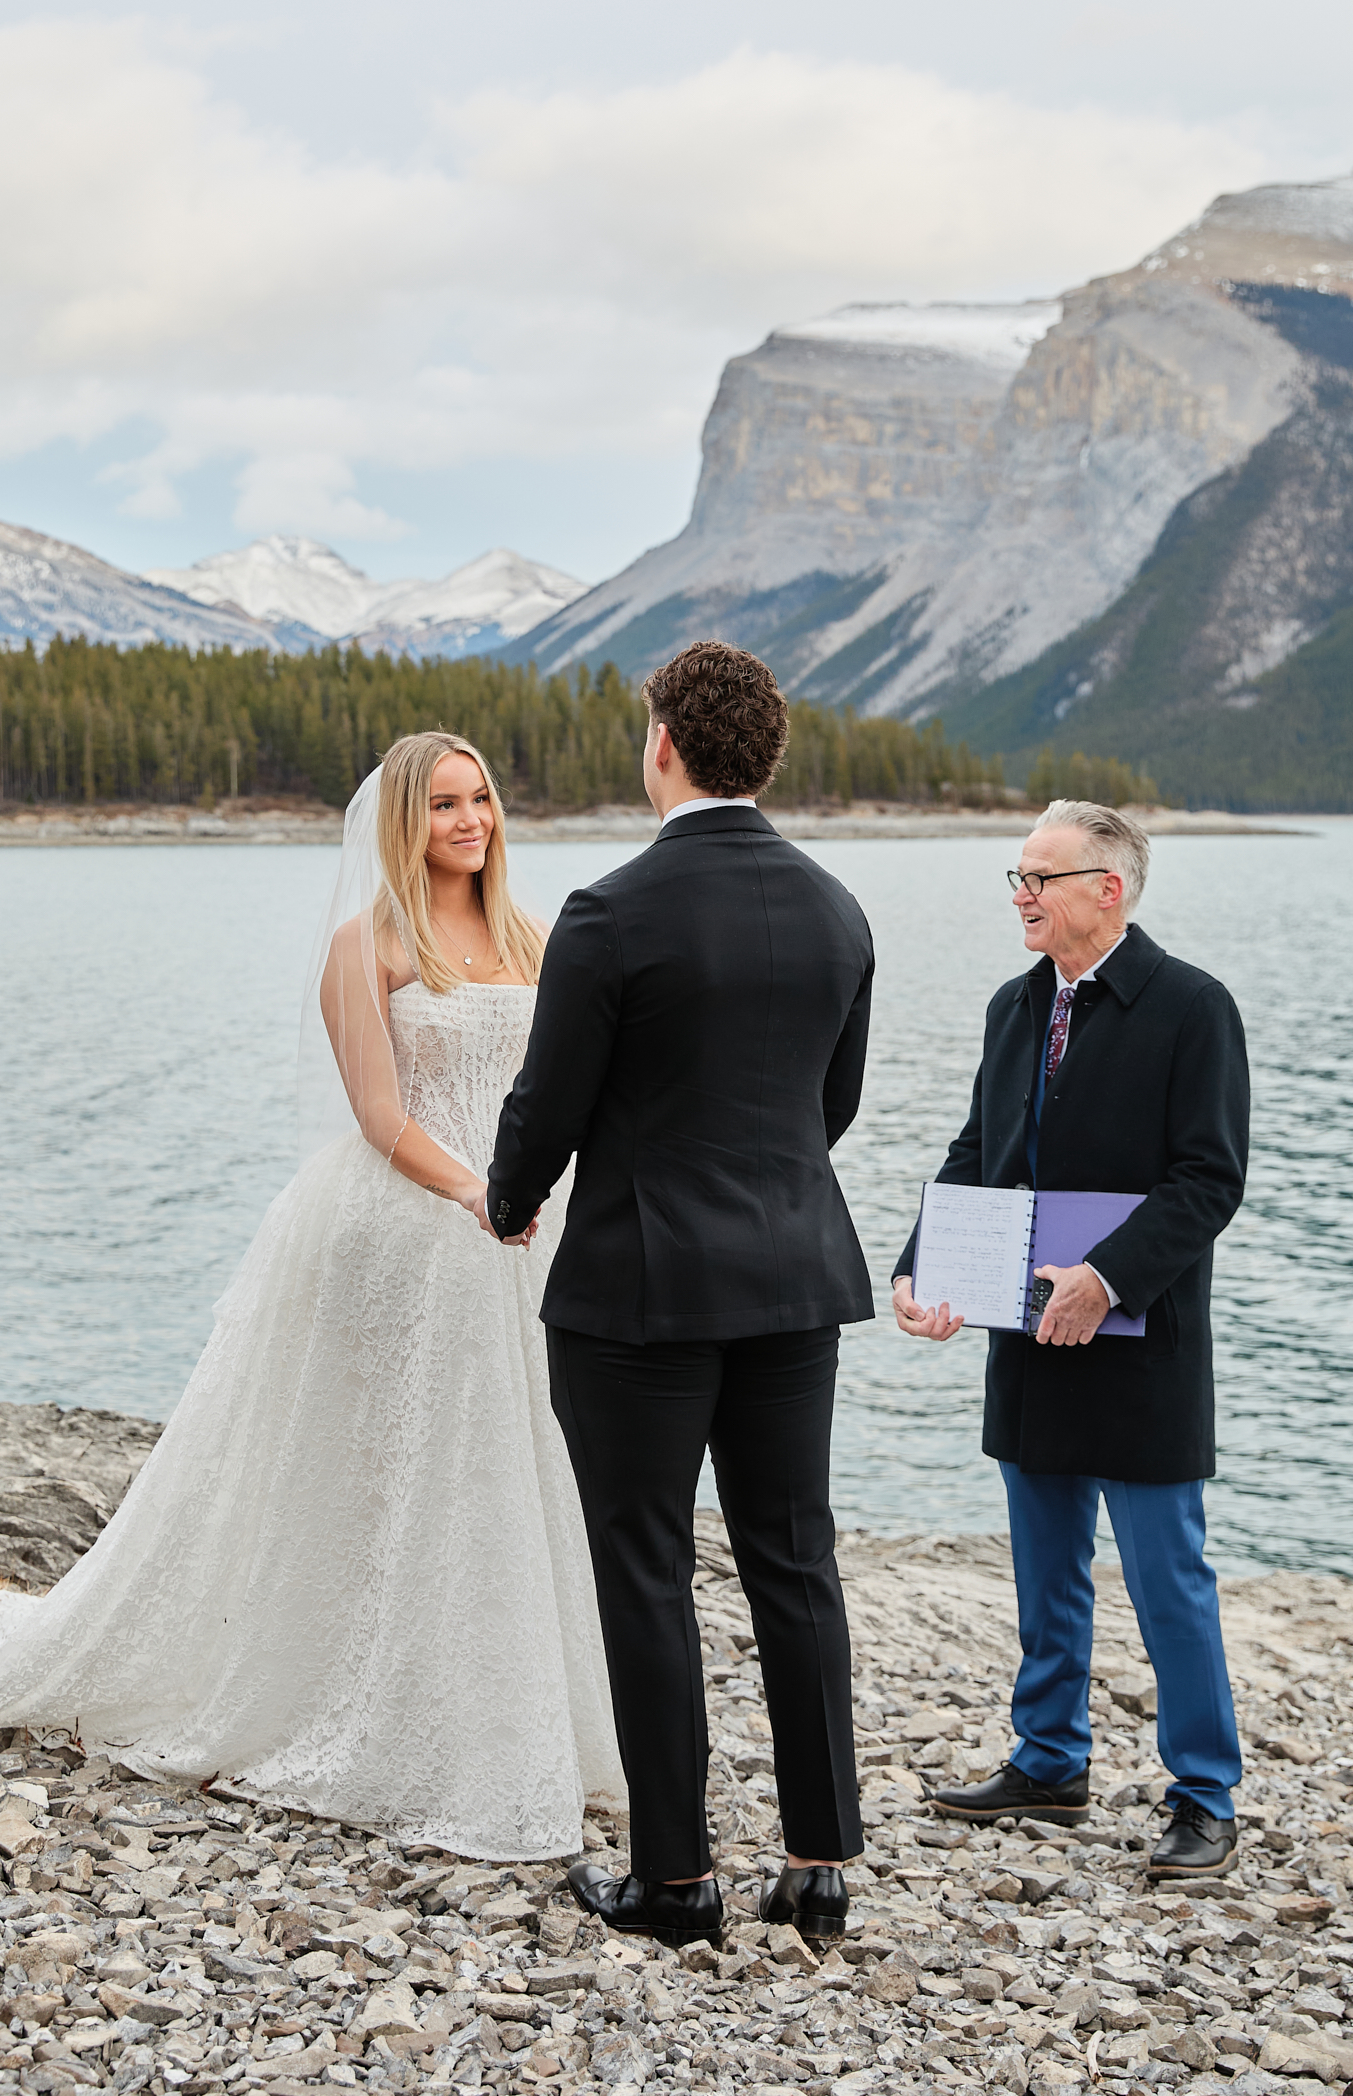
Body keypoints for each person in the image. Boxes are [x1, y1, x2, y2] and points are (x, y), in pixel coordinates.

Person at [0, 731, 622, 1861]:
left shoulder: (532, 935)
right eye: (443, 803)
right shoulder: (367, 943)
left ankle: (516, 1703)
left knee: (512, 1466)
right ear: (403, 821)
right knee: (388, 1472)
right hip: (413, 1222)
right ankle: (367, 1697)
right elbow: (380, 1115)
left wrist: (544, 1193)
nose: (468, 820)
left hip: (522, 1228)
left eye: (480, 798)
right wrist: (476, 1193)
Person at [480, 641, 876, 1949]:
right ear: (761, 757)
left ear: (660, 745)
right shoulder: (834, 909)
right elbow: (829, 1109)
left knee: (644, 1568)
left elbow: (548, 1103)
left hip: (638, 1295)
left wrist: (506, 1194)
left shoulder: (609, 912)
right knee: (792, 1560)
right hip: (790, 1278)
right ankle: (819, 1863)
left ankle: (676, 1883)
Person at [893, 798, 1249, 1880]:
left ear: (1110, 888)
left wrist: (1105, 1275)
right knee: (1045, 1570)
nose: (1020, 894)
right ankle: (1048, 1761)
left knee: (1165, 1576)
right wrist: (922, 1263)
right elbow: (974, 1150)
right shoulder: (1013, 1006)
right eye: (1015, 875)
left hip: (1140, 1339)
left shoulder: (1192, 1006)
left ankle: (1204, 1794)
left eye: (1039, 877)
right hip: (1024, 1333)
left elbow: (1208, 1179)